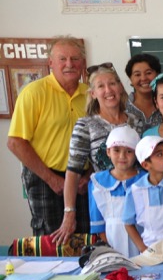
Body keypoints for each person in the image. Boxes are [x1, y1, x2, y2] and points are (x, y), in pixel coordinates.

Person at [53, 64, 145, 245]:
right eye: (101, 86)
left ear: (120, 88)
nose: (108, 90)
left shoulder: (137, 122)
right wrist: (69, 213)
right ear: (93, 94)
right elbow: (73, 171)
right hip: (106, 204)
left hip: (139, 198)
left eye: (112, 84)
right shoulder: (85, 125)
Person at [7, 36, 89, 236]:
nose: (69, 64)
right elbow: (15, 142)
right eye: (63, 59)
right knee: (50, 238)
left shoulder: (91, 94)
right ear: (50, 62)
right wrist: (52, 179)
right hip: (45, 177)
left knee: (88, 236)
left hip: (83, 180)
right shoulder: (33, 93)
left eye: (75, 59)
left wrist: (89, 175)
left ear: (83, 63)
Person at [88, 126, 145, 257]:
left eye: (129, 152)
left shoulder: (145, 180)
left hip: (142, 241)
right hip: (112, 242)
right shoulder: (97, 182)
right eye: (116, 150)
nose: (122, 156)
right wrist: (111, 251)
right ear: (108, 152)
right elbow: (98, 224)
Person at [124, 53, 161, 129]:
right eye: (137, 75)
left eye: (148, 73)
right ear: (130, 79)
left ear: (158, 75)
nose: (143, 78)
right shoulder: (122, 107)